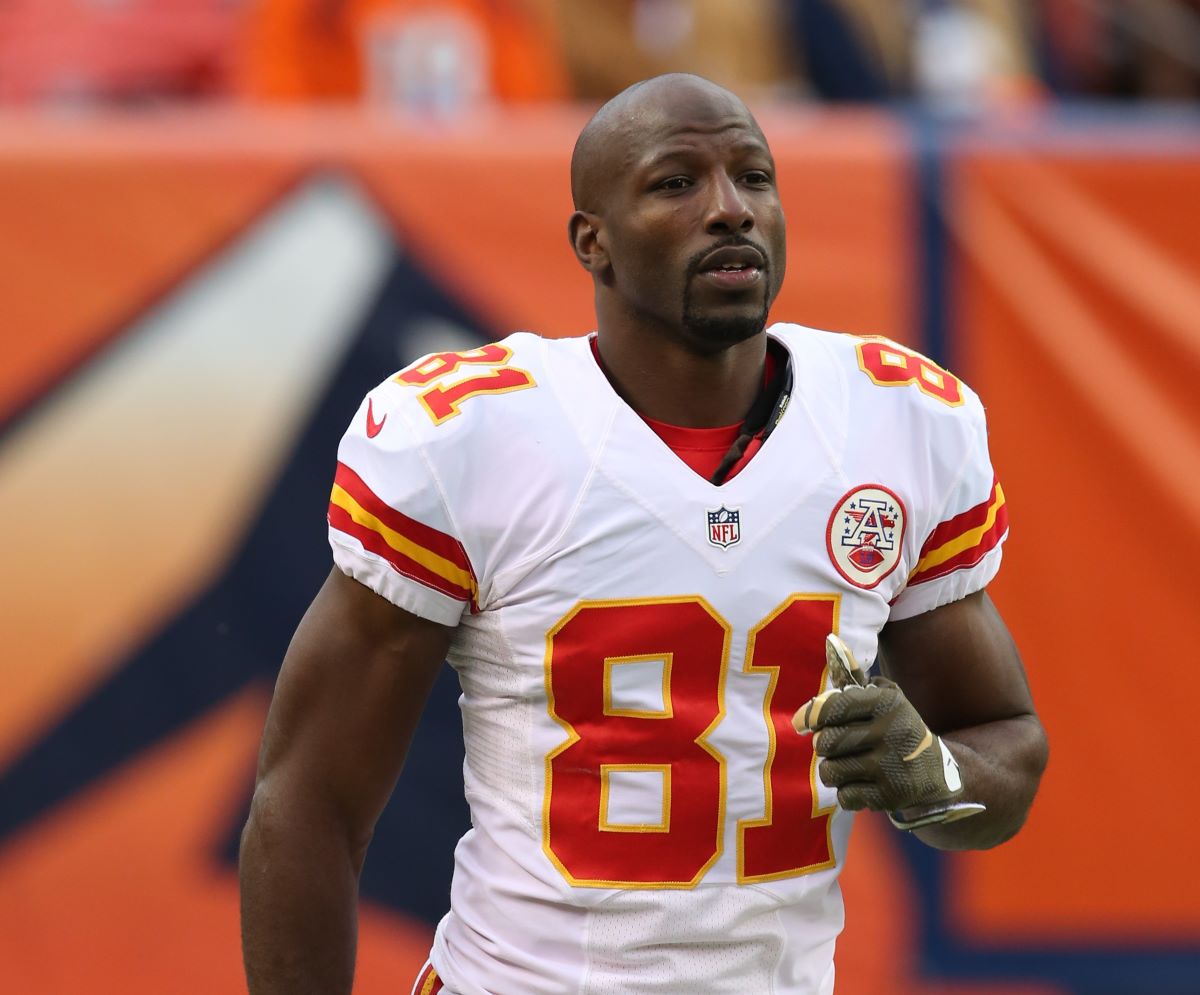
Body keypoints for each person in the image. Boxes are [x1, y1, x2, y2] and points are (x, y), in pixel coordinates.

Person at [239, 72, 1048, 994]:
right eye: (677, 183)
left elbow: (1004, 746)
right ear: (596, 243)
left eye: (754, 177)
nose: (730, 210)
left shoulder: (898, 421)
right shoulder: (471, 436)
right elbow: (308, 800)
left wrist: (928, 772)